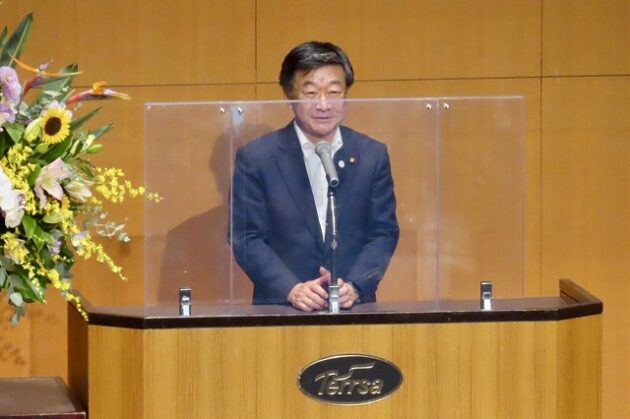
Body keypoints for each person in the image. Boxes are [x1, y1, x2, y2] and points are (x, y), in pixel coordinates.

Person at [230, 41, 399, 312]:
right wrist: (291, 288)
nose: (323, 104)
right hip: (282, 308)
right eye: (310, 93)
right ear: (289, 95)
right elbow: (245, 237)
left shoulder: (371, 155)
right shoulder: (258, 157)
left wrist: (356, 285)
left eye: (333, 92)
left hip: (352, 308)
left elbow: (384, 232)